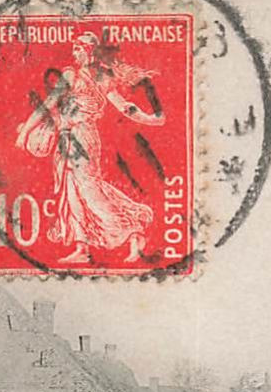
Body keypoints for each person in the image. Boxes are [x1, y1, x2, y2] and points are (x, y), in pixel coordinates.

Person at [14, 31, 165, 265]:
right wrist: (152, 119)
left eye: (78, 49)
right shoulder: (98, 77)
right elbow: (125, 107)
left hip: (81, 136)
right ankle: (82, 247)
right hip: (69, 136)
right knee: (72, 189)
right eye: (74, 49)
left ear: (89, 51)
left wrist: (25, 132)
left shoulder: (75, 75)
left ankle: (133, 231)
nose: (74, 53)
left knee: (88, 189)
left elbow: (51, 103)